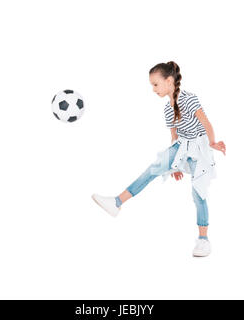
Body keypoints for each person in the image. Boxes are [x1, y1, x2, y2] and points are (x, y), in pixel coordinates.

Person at [92, 61, 226, 257]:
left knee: (199, 194)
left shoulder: (189, 99)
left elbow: (206, 122)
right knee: (152, 170)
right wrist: (175, 166)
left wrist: (212, 142)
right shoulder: (167, 109)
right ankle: (117, 202)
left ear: (169, 80)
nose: (153, 89)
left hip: (199, 148)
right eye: (151, 85)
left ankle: (203, 240)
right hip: (181, 147)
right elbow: (174, 136)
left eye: (155, 84)